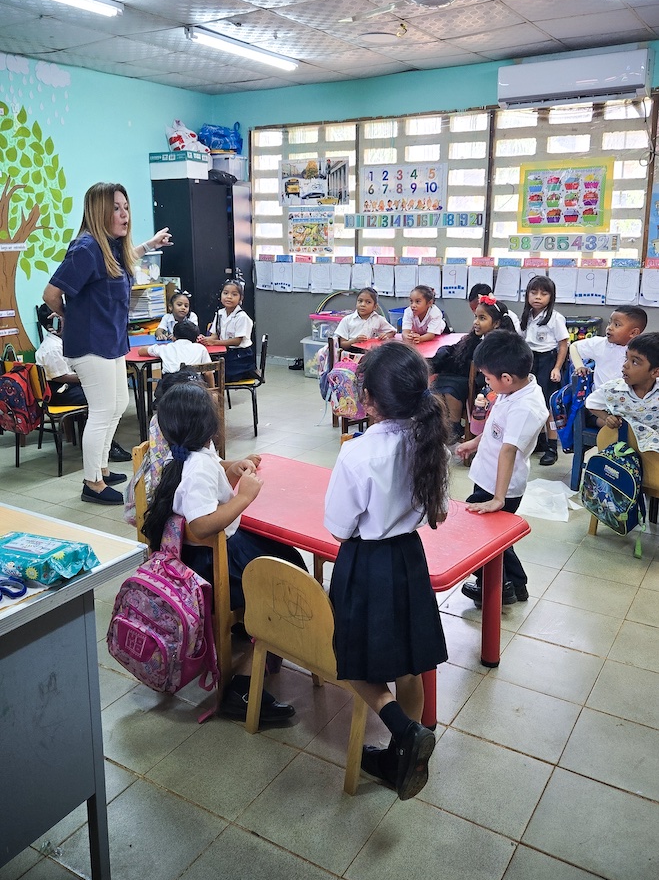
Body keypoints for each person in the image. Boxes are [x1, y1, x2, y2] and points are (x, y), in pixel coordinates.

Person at [324, 341, 449, 801]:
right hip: (408, 559)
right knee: (409, 662)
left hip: (369, 562)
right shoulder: (429, 438)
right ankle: (405, 752)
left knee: (350, 658)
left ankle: (402, 731)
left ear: (370, 401)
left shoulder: (358, 453)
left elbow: (338, 528)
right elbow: (438, 506)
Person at [141, 381, 309, 720]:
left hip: (207, 555)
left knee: (285, 555)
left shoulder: (189, 454)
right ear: (209, 426)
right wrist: (245, 496)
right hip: (212, 564)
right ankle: (242, 686)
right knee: (285, 574)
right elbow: (202, 524)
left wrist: (231, 468)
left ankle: (256, 639)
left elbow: (209, 473)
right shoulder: (198, 466)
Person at [43, 183, 173, 505]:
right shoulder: (85, 249)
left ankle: (101, 468)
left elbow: (126, 257)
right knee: (102, 411)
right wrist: (71, 320)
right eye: (116, 208)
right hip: (90, 344)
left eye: (125, 207)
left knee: (117, 405)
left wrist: (149, 244)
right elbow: (50, 295)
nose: (124, 213)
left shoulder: (111, 246)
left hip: (111, 340)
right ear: (99, 211)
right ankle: (92, 483)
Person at [456, 330, 549, 607]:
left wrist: (498, 499)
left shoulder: (526, 407)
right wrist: (475, 442)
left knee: (482, 538)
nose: (486, 381)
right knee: (497, 539)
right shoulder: (513, 390)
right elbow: (499, 431)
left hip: (501, 487)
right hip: (488, 477)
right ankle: (516, 584)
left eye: (487, 376)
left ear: (506, 378)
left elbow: (508, 450)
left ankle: (496, 589)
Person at [35, 303, 131, 461]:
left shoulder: (64, 341)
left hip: (66, 387)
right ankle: (105, 448)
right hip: (59, 392)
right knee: (101, 400)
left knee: (106, 397)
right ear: (51, 325)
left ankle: (103, 446)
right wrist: (89, 376)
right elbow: (60, 376)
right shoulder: (52, 348)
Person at [430, 294, 515, 443]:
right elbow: (458, 351)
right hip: (467, 378)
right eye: (475, 317)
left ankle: (455, 426)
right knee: (439, 384)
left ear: (496, 324)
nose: (476, 322)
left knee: (452, 389)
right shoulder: (474, 338)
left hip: (483, 385)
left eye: (482, 318)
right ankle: (444, 424)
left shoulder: (500, 344)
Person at [520, 275, 569, 466]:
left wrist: (557, 368)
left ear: (551, 296)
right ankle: (539, 442)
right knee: (533, 402)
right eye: (533, 292)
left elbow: (563, 345)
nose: (538, 297)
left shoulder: (555, 318)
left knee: (549, 406)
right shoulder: (527, 316)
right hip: (529, 360)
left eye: (543, 293)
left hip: (548, 360)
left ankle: (551, 446)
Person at [585, 333, 659, 453]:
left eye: (634, 362)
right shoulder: (614, 389)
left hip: (653, 451)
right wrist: (606, 417)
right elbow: (591, 403)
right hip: (623, 450)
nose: (625, 365)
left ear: (655, 372)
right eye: (626, 358)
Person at [570, 306, 647, 392]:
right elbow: (574, 346)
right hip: (599, 399)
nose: (610, 327)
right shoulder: (600, 344)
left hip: (627, 399)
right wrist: (579, 366)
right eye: (609, 323)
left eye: (617, 325)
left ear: (633, 333)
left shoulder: (642, 351)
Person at [198, 279, 255, 380]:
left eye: (234, 294)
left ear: (240, 298)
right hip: (224, 353)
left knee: (213, 374)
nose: (229, 297)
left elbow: (237, 341)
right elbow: (215, 334)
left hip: (240, 357)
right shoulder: (220, 313)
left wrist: (214, 342)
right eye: (225, 293)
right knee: (204, 371)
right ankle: (212, 394)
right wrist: (206, 339)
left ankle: (215, 394)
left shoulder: (242, 317)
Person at [138, 319, 211, 373]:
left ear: (174, 337)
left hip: (170, 388)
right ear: (195, 339)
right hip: (194, 387)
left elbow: (141, 351)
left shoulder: (166, 348)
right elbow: (208, 373)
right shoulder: (201, 348)